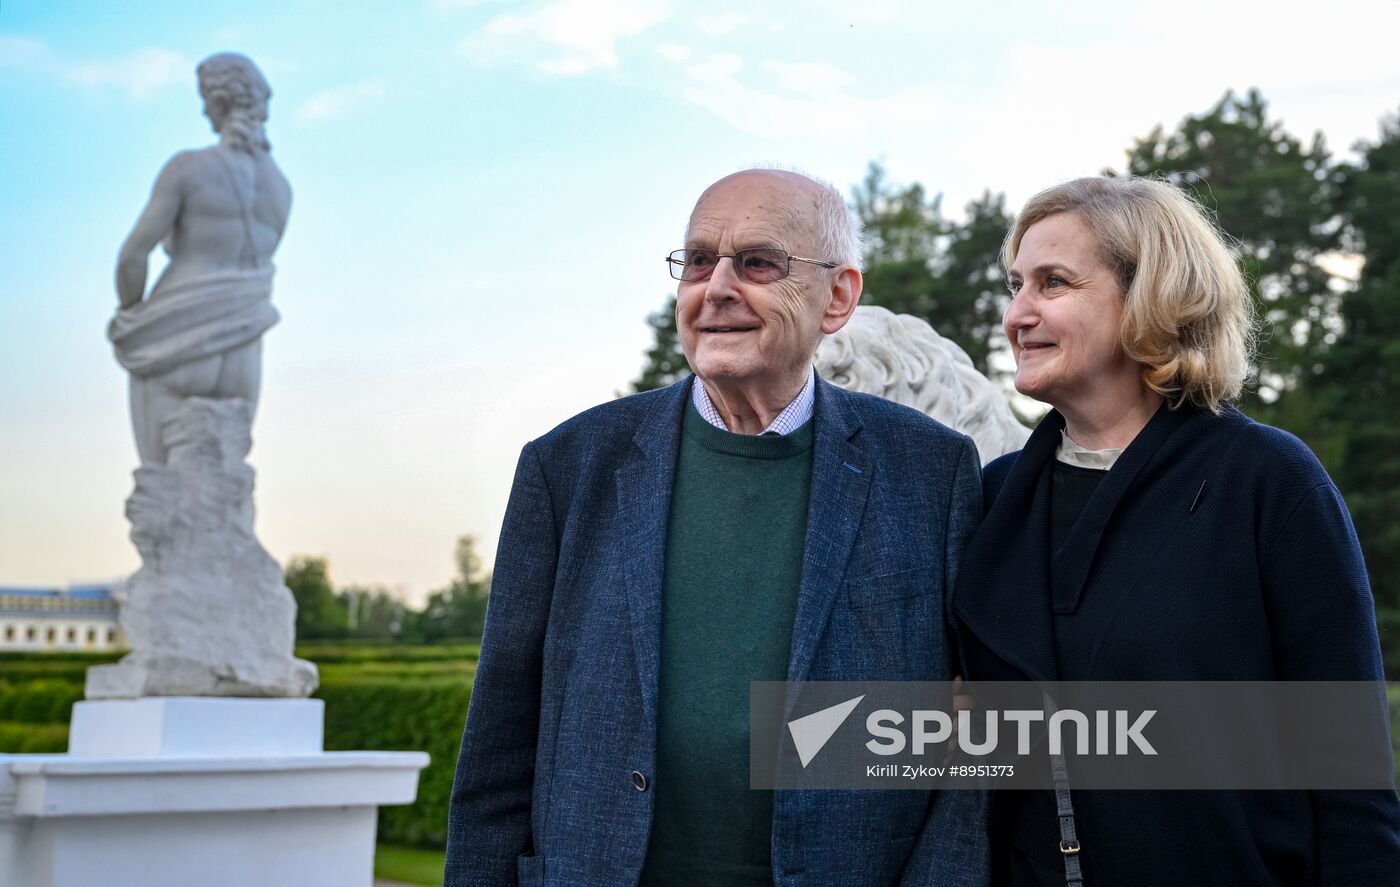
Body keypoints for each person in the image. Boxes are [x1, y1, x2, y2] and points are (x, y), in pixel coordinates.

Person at [446, 169, 988, 886]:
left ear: (838, 297)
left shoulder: (931, 471)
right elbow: (499, 746)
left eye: (758, 262)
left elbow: (971, 755)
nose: (718, 288)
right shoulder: (569, 467)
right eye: (699, 261)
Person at [950, 176, 1400, 885]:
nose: (1016, 314)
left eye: (1053, 283)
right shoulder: (992, 497)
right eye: (1016, 285)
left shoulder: (1268, 480)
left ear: (1150, 296)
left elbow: (1350, 767)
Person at [110, 52, 291, 466]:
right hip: (244, 349)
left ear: (219, 100)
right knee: (225, 484)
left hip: (172, 338)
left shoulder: (188, 168)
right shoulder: (282, 190)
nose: (202, 111)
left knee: (161, 483)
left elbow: (132, 256)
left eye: (204, 100)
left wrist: (132, 316)